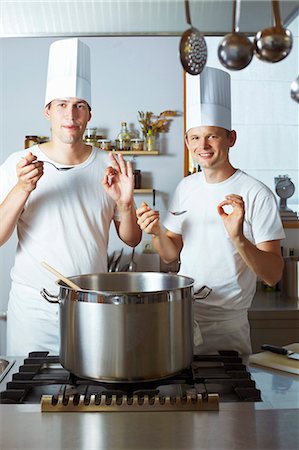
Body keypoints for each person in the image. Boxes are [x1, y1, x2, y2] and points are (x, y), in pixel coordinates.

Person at [0, 38, 142, 356]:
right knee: (30, 399)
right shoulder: (18, 164)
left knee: (89, 396)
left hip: (91, 305)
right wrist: (23, 188)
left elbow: (131, 240)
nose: (71, 114)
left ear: (88, 115)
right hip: (34, 310)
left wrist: (124, 203)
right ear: (47, 111)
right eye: (62, 104)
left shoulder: (109, 166)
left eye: (79, 105)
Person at [136, 67, 285, 357]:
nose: (202, 146)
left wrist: (238, 238)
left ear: (231, 138)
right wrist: (155, 233)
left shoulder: (256, 193)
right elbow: (170, 254)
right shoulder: (186, 188)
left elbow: (273, 275)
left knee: (228, 401)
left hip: (227, 328)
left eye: (212, 137)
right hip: (181, 318)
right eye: (195, 138)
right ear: (187, 142)